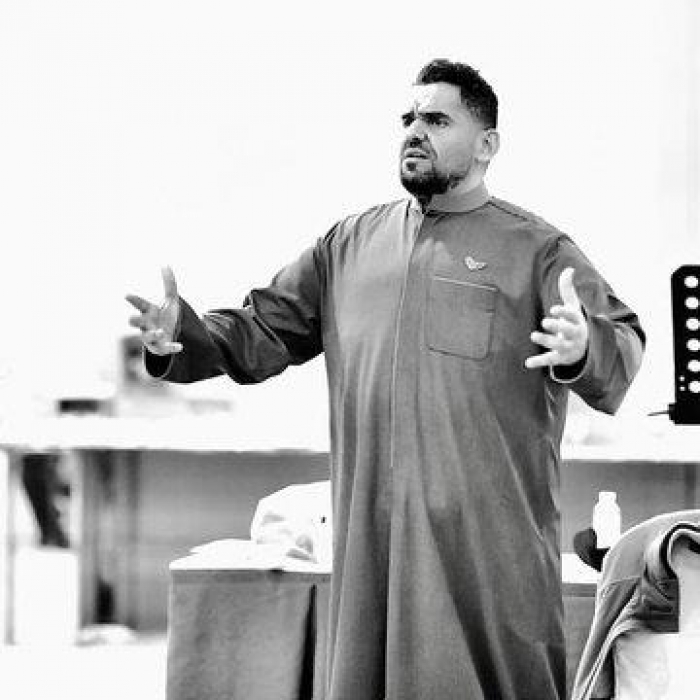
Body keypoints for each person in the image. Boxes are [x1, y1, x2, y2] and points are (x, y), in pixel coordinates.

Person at [126, 59, 645, 700]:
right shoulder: (347, 246)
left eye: (437, 120)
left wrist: (584, 344)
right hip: (371, 554)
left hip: (488, 563)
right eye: (408, 119)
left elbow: (623, 340)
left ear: (487, 144)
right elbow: (260, 331)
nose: (414, 132)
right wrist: (181, 333)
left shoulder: (538, 249)